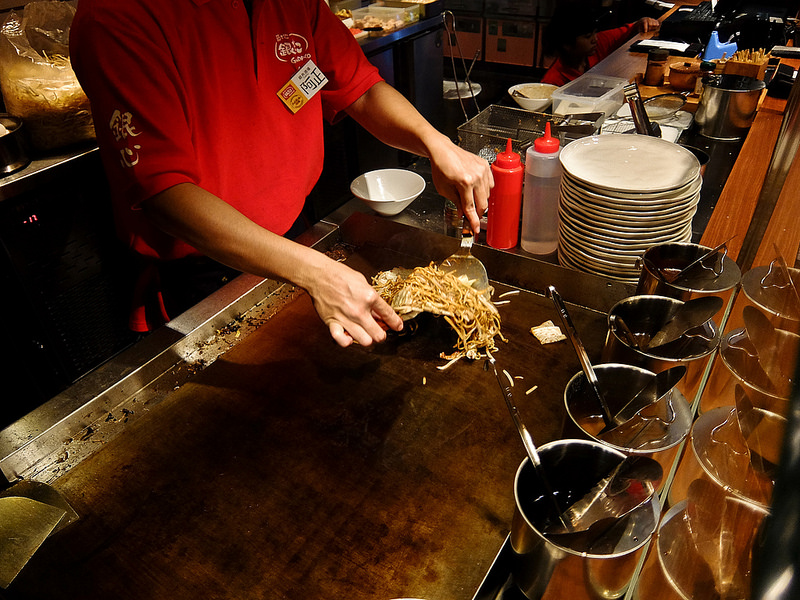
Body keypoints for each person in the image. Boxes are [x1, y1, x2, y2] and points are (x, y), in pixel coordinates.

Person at [69, 0, 493, 348]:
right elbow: (164, 192)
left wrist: (437, 144)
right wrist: (316, 273)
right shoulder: (118, 15)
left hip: (300, 237)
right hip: (206, 274)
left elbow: (360, 89)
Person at [541, 1, 660, 86]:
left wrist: (643, 22)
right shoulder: (552, 80)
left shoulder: (598, 43)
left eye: (594, 33)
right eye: (588, 36)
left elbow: (631, 28)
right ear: (566, 44)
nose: (595, 39)